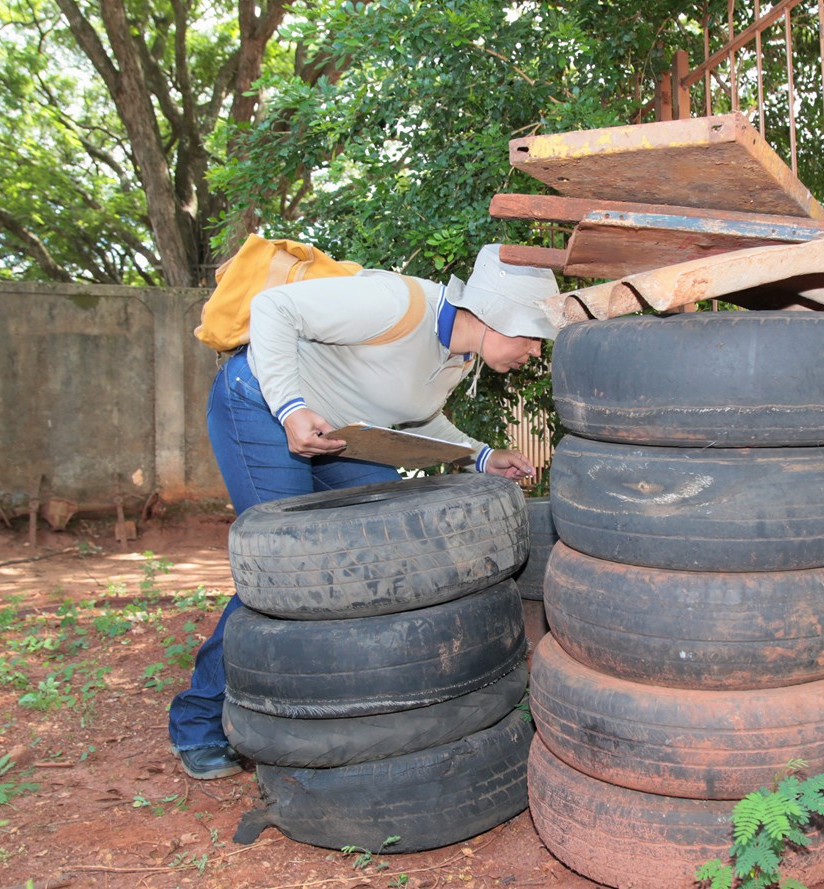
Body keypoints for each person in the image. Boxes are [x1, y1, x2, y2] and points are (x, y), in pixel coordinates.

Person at [168, 243, 560, 779]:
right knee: (284, 572)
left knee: (382, 548)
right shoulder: (398, 304)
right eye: (533, 333)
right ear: (496, 316)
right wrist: (290, 408)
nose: (536, 351)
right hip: (260, 405)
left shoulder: (458, 357)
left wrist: (482, 455)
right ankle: (199, 724)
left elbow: (411, 417)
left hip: (342, 434)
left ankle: (351, 699)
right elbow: (275, 310)